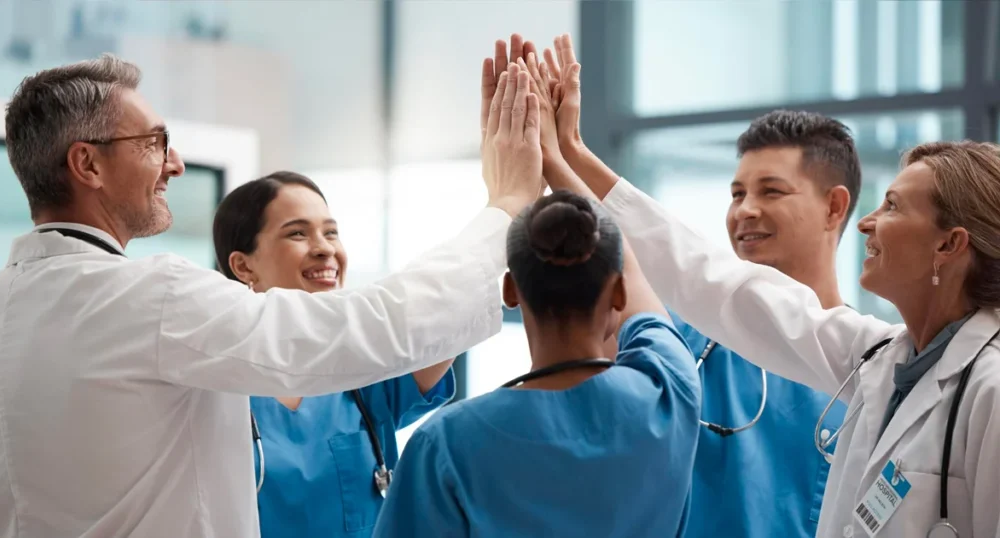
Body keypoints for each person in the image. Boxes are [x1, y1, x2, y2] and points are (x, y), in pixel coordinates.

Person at [0, 54, 542, 538]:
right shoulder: (154, 299)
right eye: (155, 142)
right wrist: (507, 205)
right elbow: (376, 325)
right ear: (88, 164)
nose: (173, 162)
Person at [546, 32, 1000, 538]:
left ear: (949, 245)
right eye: (737, 192)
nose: (869, 222)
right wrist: (567, 154)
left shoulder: (989, 389)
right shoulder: (874, 358)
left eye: (892, 206)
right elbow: (701, 273)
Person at [509, 32, 853, 536]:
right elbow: (627, 253)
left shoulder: (864, 364)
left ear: (835, 207)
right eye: (736, 193)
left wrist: (567, 156)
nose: (745, 210)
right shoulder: (685, 345)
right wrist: (564, 155)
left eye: (771, 191)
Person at [372, 187, 702, 537]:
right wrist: (562, 151)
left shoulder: (446, 442)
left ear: (510, 291)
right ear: (619, 292)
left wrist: (514, 191)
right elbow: (642, 296)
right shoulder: (670, 390)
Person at [211, 171, 456, 537]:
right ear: (244, 266)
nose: (325, 248)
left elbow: (455, 311)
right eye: (297, 232)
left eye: (331, 232)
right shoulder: (209, 384)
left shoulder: (364, 372)